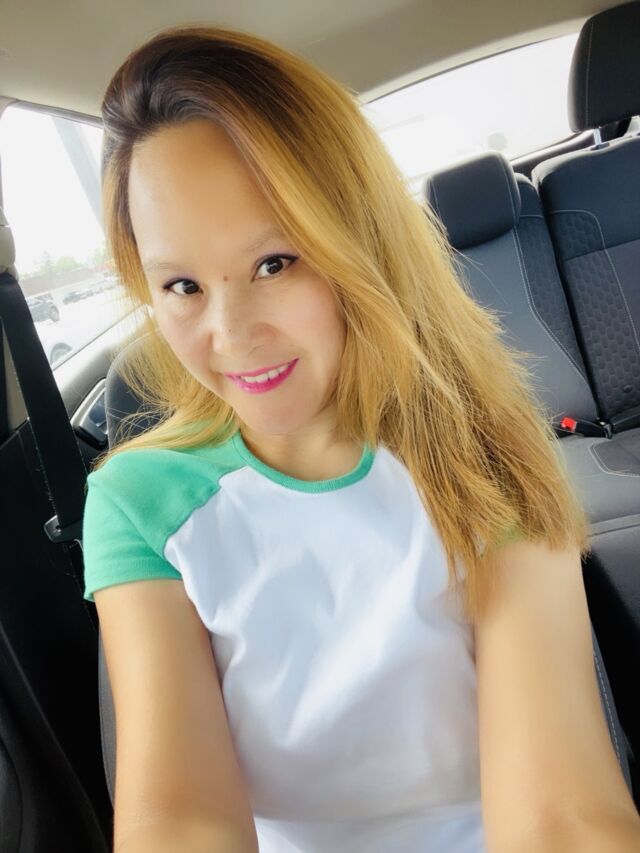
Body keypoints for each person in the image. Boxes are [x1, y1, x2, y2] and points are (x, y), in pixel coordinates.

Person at [82, 24, 636, 853]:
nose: (231, 334)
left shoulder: (483, 455)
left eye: (275, 262)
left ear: (359, 243)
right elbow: (178, 817)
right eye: (183, 285)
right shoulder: (139, 503)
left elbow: (560, 817)